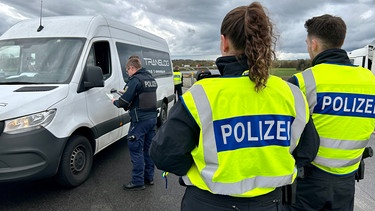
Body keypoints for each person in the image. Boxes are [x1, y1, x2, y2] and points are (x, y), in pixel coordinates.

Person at [150, 2, 319, 210]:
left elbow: (164, 154)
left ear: (224, 43)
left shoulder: (201, 95)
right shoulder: (291, 94)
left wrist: (199, 169)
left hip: (208, 203)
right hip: (270, 203)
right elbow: (308, 151)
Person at [284, 14, 375, 211]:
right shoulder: (370, 80)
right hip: (347, 181)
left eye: (308, 43)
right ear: (341, 41)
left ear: (314, 44)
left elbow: (285, 135)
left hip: (307, 182)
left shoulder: (302, 81)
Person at [112, 55, 158, 191]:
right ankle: (149, 177)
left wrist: (115, 101)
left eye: (127, 71)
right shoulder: (150, 79)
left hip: (139, 121)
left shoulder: (135, 80)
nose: (128, 73)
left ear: (132, 68)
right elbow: (141, 95)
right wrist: (126, 93)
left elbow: (123, 102)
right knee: (148, 150)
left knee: (136, 150)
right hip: (152, 120)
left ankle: (138, 181)